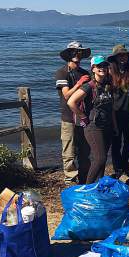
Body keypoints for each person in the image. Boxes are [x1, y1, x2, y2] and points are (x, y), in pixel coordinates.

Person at [68, 55, 116, 184]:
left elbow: (110, 107)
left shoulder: (107, 84)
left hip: (107, 125)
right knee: (100, 158)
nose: (103, 68)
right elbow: (71, 102)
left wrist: (114, 125)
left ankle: (98, 186)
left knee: (102, 159)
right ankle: (87, 188)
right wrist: (83, 116)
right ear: (93, 68)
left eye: (105, 66)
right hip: (93, 126)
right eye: (99, 66)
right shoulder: (89, 86)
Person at [55, 41, 91, 184]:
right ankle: (70, 179)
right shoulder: (61, 72)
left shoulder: (85, 73)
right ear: (69, 54)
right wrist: (79, 83)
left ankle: (84, 177)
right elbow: (67, 95)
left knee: (85, 150)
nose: (77, 54)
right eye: (74, 52)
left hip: (82, 116)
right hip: (68, 117)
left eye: (79, 52)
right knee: (69, 151)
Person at [107, 44, 129, 178]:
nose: (122, 58)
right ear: (115, 58)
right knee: (116, 143)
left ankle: (124, 164)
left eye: (124, 55)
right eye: (120, 55)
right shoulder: (109, 74)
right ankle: (118, 169)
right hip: (115, 114)